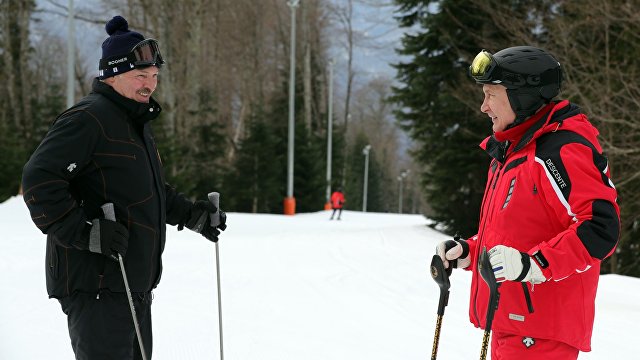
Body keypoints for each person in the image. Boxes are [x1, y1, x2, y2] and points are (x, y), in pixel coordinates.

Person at [21, 16, 227, 360]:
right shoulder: (88, 118)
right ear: (112, 75)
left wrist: (192, 215)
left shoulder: (134, 123)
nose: (150, 84)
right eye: (140, 76)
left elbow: (149, 191)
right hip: (97, 283)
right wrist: (85, 232)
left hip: (132, 284)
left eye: (155, 76)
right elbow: (38, 181)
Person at [436, 46, 619, 359]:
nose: (483, 107)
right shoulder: (512, 152)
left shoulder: (559, 150)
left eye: (491, 94)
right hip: (511, 324)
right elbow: (517, 235)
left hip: (541, 334)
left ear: (521, 96)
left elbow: (601, 228)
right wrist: (470, 252)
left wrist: (536, 265)